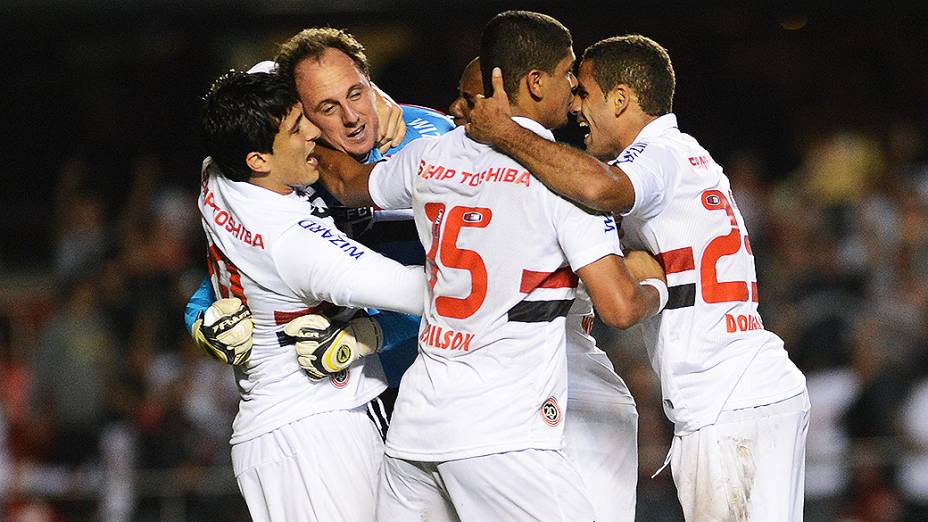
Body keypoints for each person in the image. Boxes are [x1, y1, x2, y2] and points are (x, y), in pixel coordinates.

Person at [309, 11, 667, 521]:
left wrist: (300, 123)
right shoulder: (565, 184)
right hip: (500, 432)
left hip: (417, 425)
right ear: (535, 82)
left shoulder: (429, 156)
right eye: (568, 73)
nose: (575, 87)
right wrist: (657, 281)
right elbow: (620, 306)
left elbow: (347, 183)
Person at [466, 34, 809, 521]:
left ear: (621, 99)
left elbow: (601, 188)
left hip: (727, 403)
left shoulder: (659, 156)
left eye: (583, 92)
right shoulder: (683, 154)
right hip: (746, 393)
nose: (575, 106)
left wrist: (506, 134)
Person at [197, 69, 427, 521]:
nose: (313, 133)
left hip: (282, 428)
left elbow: (264, 72)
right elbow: (425, 292)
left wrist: (371, 92)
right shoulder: (295, 245)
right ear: (259, 159)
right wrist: (374, 333)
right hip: (312, 433)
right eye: (296, 129)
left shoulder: (214, 176)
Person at [186, 27, 454, 386]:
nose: (352, 117)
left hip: (445, 372)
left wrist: (377, 332)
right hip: (353, 388)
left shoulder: (437, 139)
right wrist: (201, 315)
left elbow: (483, 272)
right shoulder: (290, 169)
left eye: (356, 94)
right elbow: (246, 256)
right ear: (299, 113)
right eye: (328, 107)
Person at [448, 56, 640, 522]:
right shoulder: (442, 165)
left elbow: (619, 305)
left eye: (473, 100)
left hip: (561, 381)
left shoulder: (564, 180)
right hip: (508, 391)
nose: (457, 108)